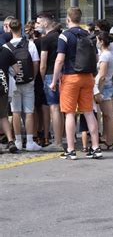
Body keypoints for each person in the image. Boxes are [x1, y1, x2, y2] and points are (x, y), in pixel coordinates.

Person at [50, 7, 102, 160]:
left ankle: (71, 150)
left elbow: (60, 60)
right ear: (80, 19)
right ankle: (96, 147)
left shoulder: (64, 36)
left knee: (70, 113)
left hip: (70, 77)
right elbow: (97, 59)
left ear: (68, 19)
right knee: (88, 112)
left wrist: (53, 81)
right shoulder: (88, 34)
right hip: (87, 77)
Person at [3, 19, 42, 151]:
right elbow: (36, 63)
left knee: (15, 112)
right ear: (20, 28)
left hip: (13, 83)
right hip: (28, 81)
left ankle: (18, 141)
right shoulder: (30, 44)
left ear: (9, 29)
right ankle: (30, 142)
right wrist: (33, 77)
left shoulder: (6, 46)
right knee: (29, 111)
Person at [38, 13, 64, 152]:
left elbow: (43, 63)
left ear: (45, 24)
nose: (38, 25)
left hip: (49, 74)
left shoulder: (46, 39)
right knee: (62, 109)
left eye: (39, 22)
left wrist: (41, 79)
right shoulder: (60, 36)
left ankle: (58, 141)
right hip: (63, 74)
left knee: (54, 108)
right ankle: (62, 137)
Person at [25, 20, 50, 147]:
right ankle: (45, 136)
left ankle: (35, 135)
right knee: (44, 108)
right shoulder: (46, 41)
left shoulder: (31, 44)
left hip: (35, 77)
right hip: (45, 76)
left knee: (34, 108)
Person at [94, 31, 113, 150]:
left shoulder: (104, 56)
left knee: (108, 116)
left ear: (102, 42)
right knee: (110, 116)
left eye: (97, 40)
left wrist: (98, 91)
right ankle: (109, 139)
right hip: (110, 85)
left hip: (105, 87)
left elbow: (102, 76)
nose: (96, 42)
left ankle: (109, 142)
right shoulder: (111, 53)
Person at [0, 39, 19, 153]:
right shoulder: (6, 52)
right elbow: (17, 70)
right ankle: (11, 141)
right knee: (3, 116)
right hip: (3, 88)